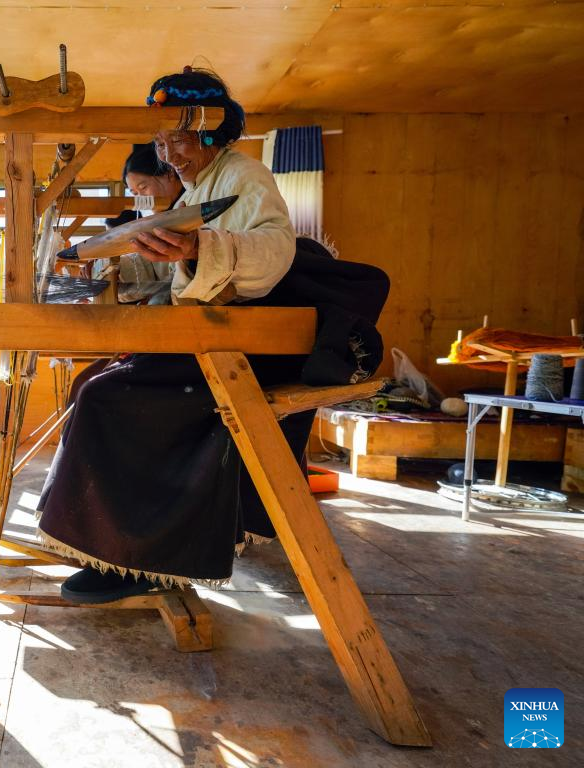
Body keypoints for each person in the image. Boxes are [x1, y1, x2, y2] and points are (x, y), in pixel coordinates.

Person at [35, 67, 388, 604]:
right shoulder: (199, 188)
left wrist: (202, 248)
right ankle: (104, 541)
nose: (169, 153)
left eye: (178, 137)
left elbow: (275, 250)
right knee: (94, 379)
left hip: (250, 349)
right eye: (161, 141)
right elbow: (169, 272)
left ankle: (140, 557)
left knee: (110, 396)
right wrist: (117, 266)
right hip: (219, 338)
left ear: (209, 129)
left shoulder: (244, 175)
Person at [106, 144, 184, 304]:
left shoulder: (190, 207)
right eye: (135, 193)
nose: (141, 198)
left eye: (143, 187)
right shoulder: (160, 219)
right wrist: (113, 269)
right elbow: (151, 267)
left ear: (169, 174)